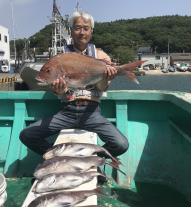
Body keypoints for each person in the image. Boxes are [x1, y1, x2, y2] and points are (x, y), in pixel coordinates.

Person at [19, 11, 129, 159]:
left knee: (121, 144)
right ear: (71, 31)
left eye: (86, 28)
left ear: (91, 31)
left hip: (92, 112)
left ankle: (92, 160)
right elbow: (58, 91)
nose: (82, 32)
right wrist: (58, 89)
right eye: (77, 28)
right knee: (27, 135)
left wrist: (106, 78)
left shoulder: (101, 57)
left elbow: (103, 88)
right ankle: (60, 157)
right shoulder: (61, 57)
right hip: (67, 111)